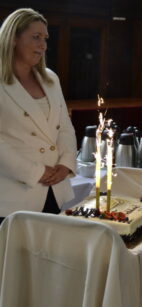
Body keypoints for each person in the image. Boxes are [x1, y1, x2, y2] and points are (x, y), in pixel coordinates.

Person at [0, 8, 77, 225]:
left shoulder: (51, 78)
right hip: (14, 194)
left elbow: (65, 127)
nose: (43, 45)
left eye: (45, 38)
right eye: (35, 37)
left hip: (53, 190)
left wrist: (66, 164)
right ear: (13, 38)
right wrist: (35, 172)